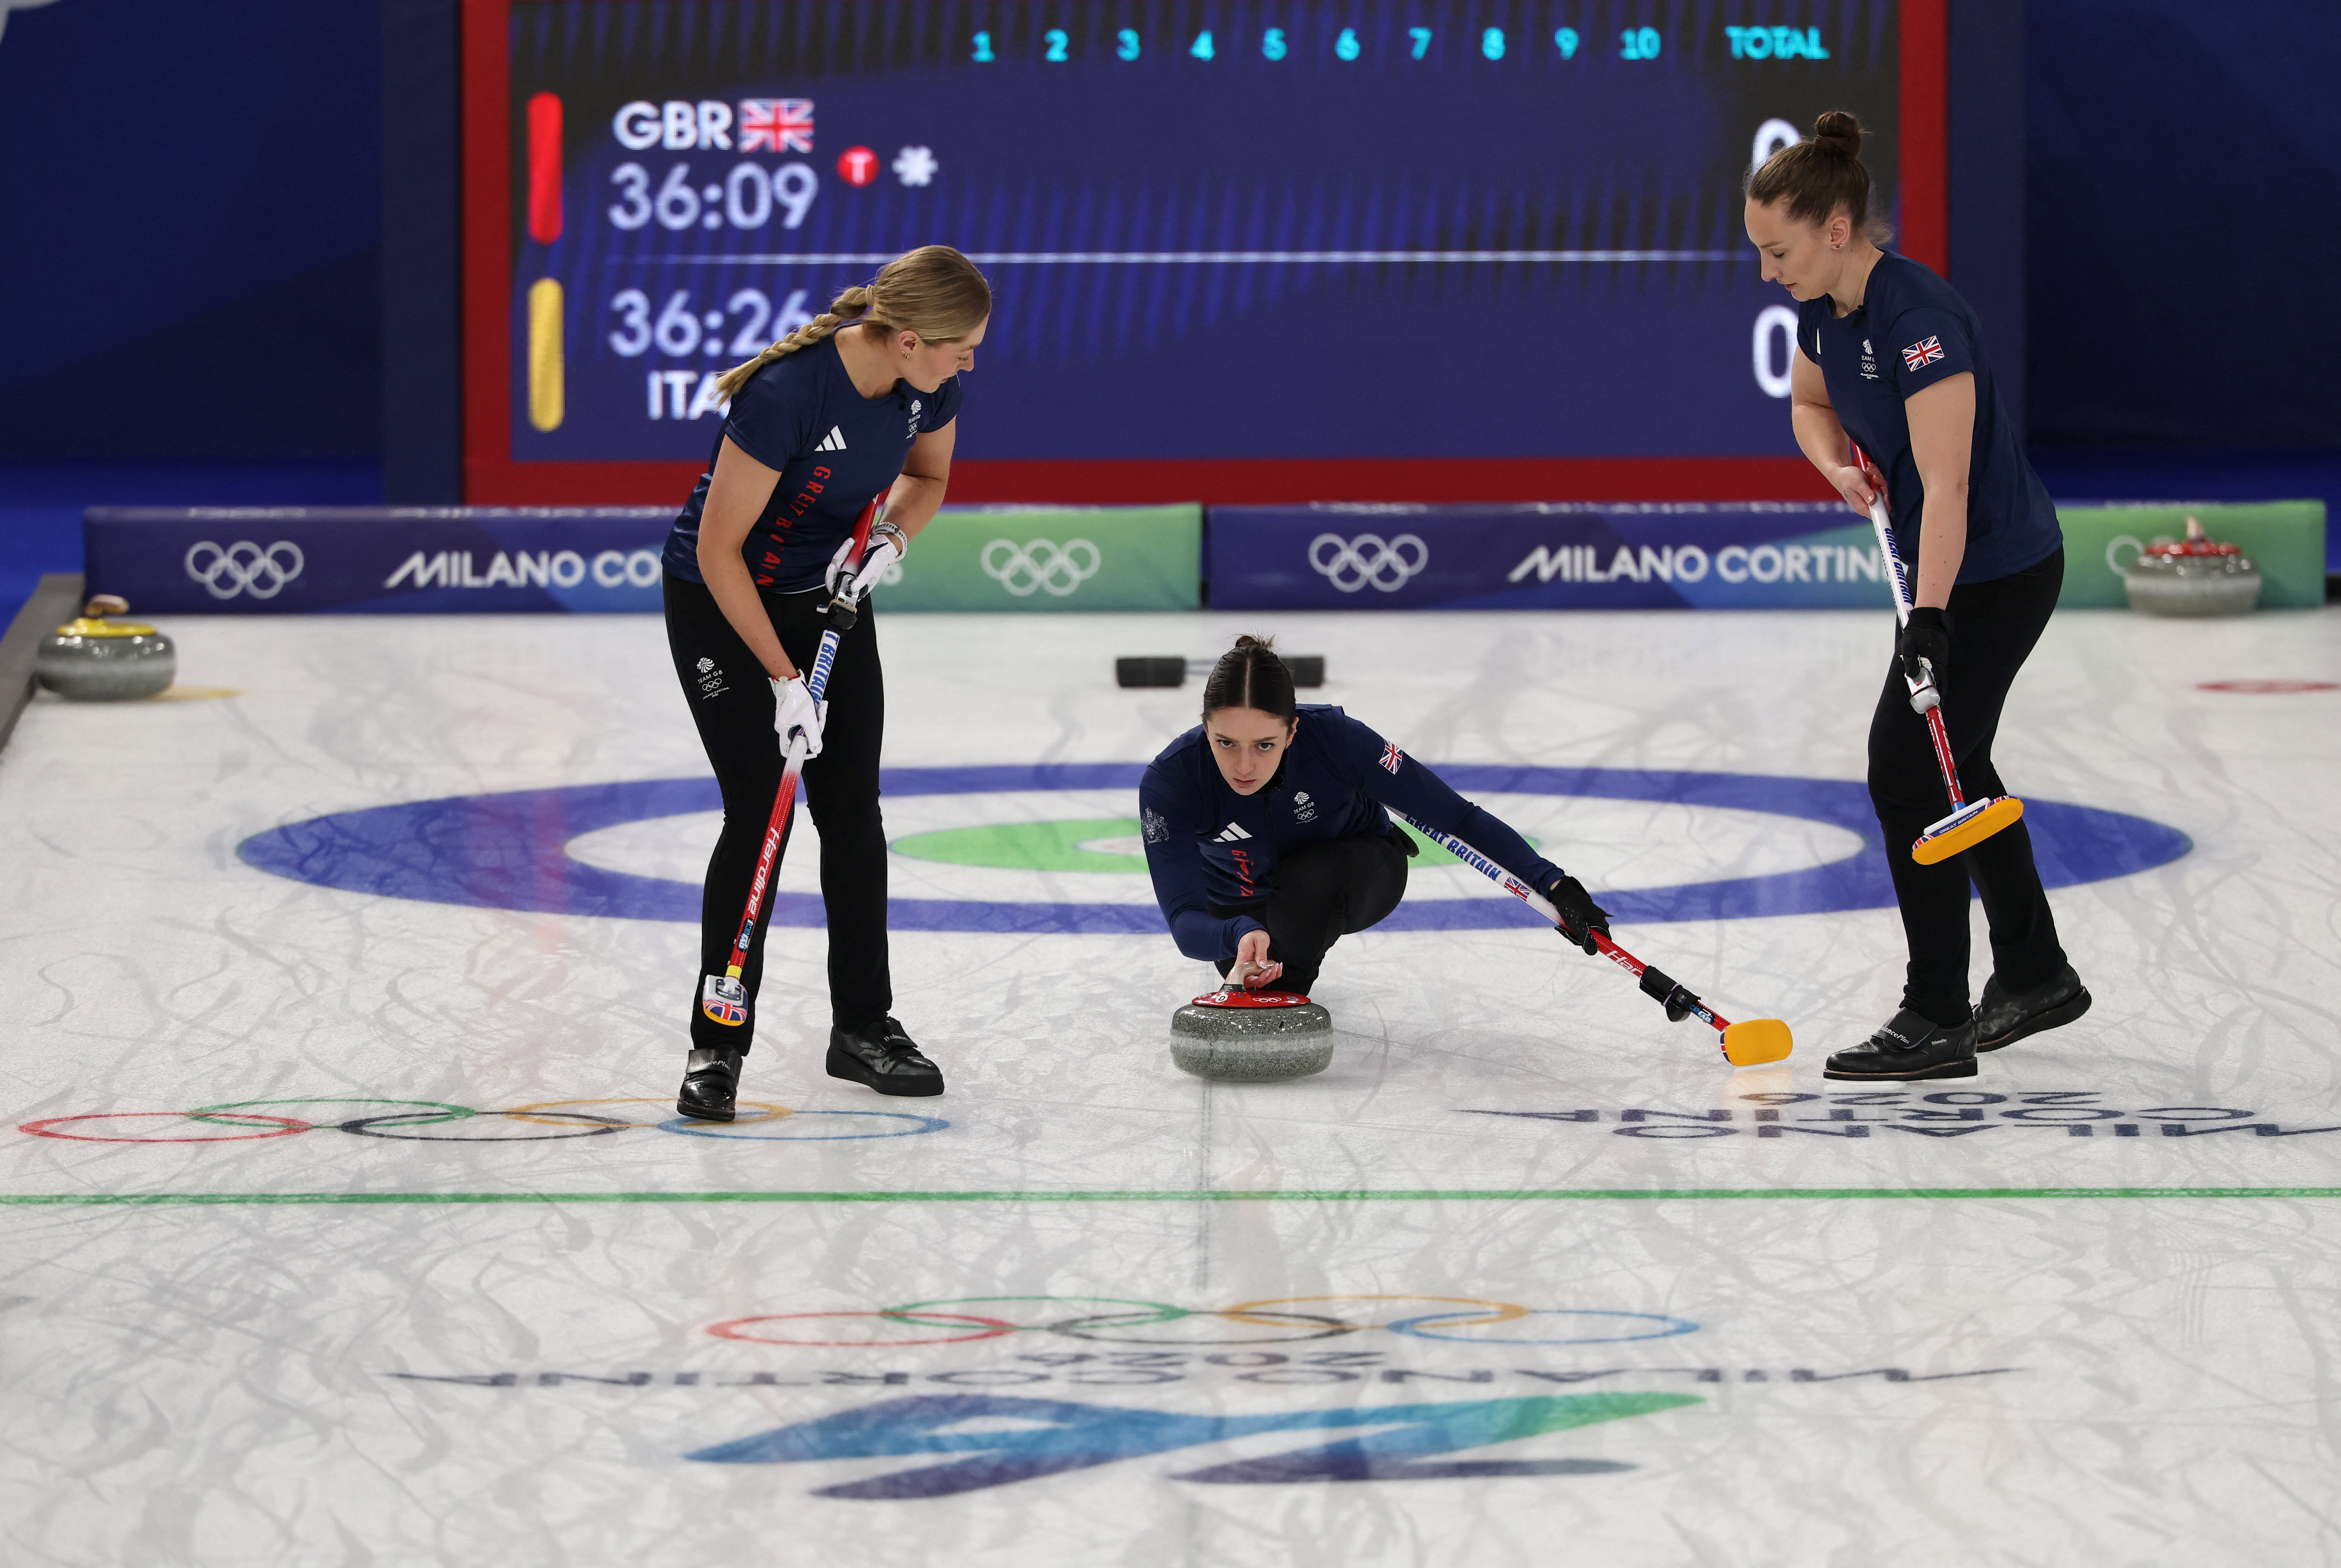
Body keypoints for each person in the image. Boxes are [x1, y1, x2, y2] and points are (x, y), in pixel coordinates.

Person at [1745, 111, 2090, 1082]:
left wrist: (1930, 623)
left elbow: (1950, 487)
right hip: (1940, 574)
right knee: (1955, 763)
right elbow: (1812, 405)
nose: (1769, 273)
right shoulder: (1824, 312)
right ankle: (2034, 971)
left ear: (1837, 230)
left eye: (1779, 251)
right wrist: (1836, 472)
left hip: (1996, 574)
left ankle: (1936, 1009)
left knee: (1905, 771)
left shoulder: (1919, 319)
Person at [660, 245, 991, 1119]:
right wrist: (781, 679)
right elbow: (717, 551)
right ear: (910, 337)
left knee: (851, 809)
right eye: (962, 347)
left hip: (831, 597)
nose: (971, 362)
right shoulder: (789, 395)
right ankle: (716, 1041)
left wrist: (892, 537)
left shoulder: (930, 385)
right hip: (724, 606)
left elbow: (927, 478)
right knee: (754, 811)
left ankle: (864, 1027)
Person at [1138, 636, 1611, 1000]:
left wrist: (1554, 884)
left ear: (1293, 728)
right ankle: (1273, 962)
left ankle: (1288, 995)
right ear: (1205, 727)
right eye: (1225, 743)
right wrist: (1236, 932)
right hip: (1245, 912)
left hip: (1358, 874)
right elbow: (1185, 920)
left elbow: (1456, 817)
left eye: (1265, 745)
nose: (1245, 767)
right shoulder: (1172, 782)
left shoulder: (1338, 742)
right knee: (1260, 945)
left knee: (1308, 880)